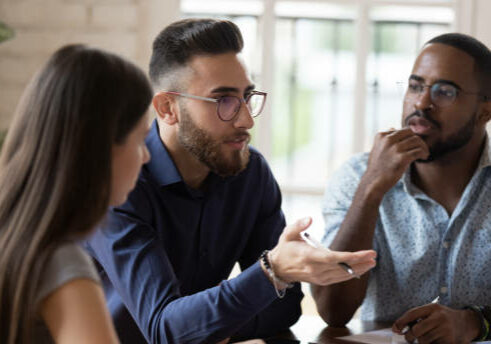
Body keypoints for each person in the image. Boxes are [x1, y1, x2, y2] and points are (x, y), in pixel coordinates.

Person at [84, 18, 377, 343]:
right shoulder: (120, 184)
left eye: (247, 97)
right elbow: (164, 330)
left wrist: (205, 326)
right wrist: (271, 272)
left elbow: (285, 309)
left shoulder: (251, 173)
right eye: (223, 100)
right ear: (168, 107)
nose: (246, 119)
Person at [312, 32, 491, 343]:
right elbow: (333, 310)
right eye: (415, 86)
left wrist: (476, 322)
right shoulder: (357, 176)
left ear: (485, 111)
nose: (421, 102)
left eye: (445, 91)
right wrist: (371, 189)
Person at [0, 44, 153, 344]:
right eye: (140, 140)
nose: (146, 157)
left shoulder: (13, 235)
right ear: (100, 149)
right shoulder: (59, 260)